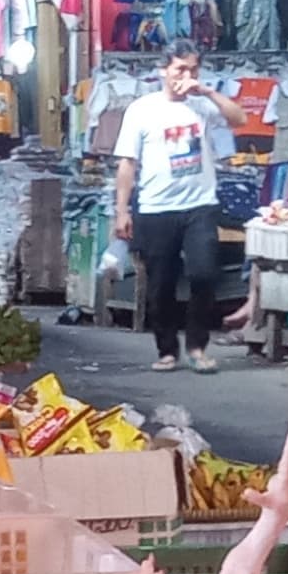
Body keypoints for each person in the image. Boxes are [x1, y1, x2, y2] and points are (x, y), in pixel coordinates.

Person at [112, 48, 227, 371]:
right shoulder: (141, 110)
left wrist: (207, 91)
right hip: (156, 208)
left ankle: (197, 346)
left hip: (200, 205)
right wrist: (122, 210)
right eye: (179, 69)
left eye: (192, 69)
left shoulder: (202, 106)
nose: (185, 76)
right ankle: (167, 349)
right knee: (161, 282)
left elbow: (239, 118)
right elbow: (127, 164)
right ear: (163, 70)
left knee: (204, 274)